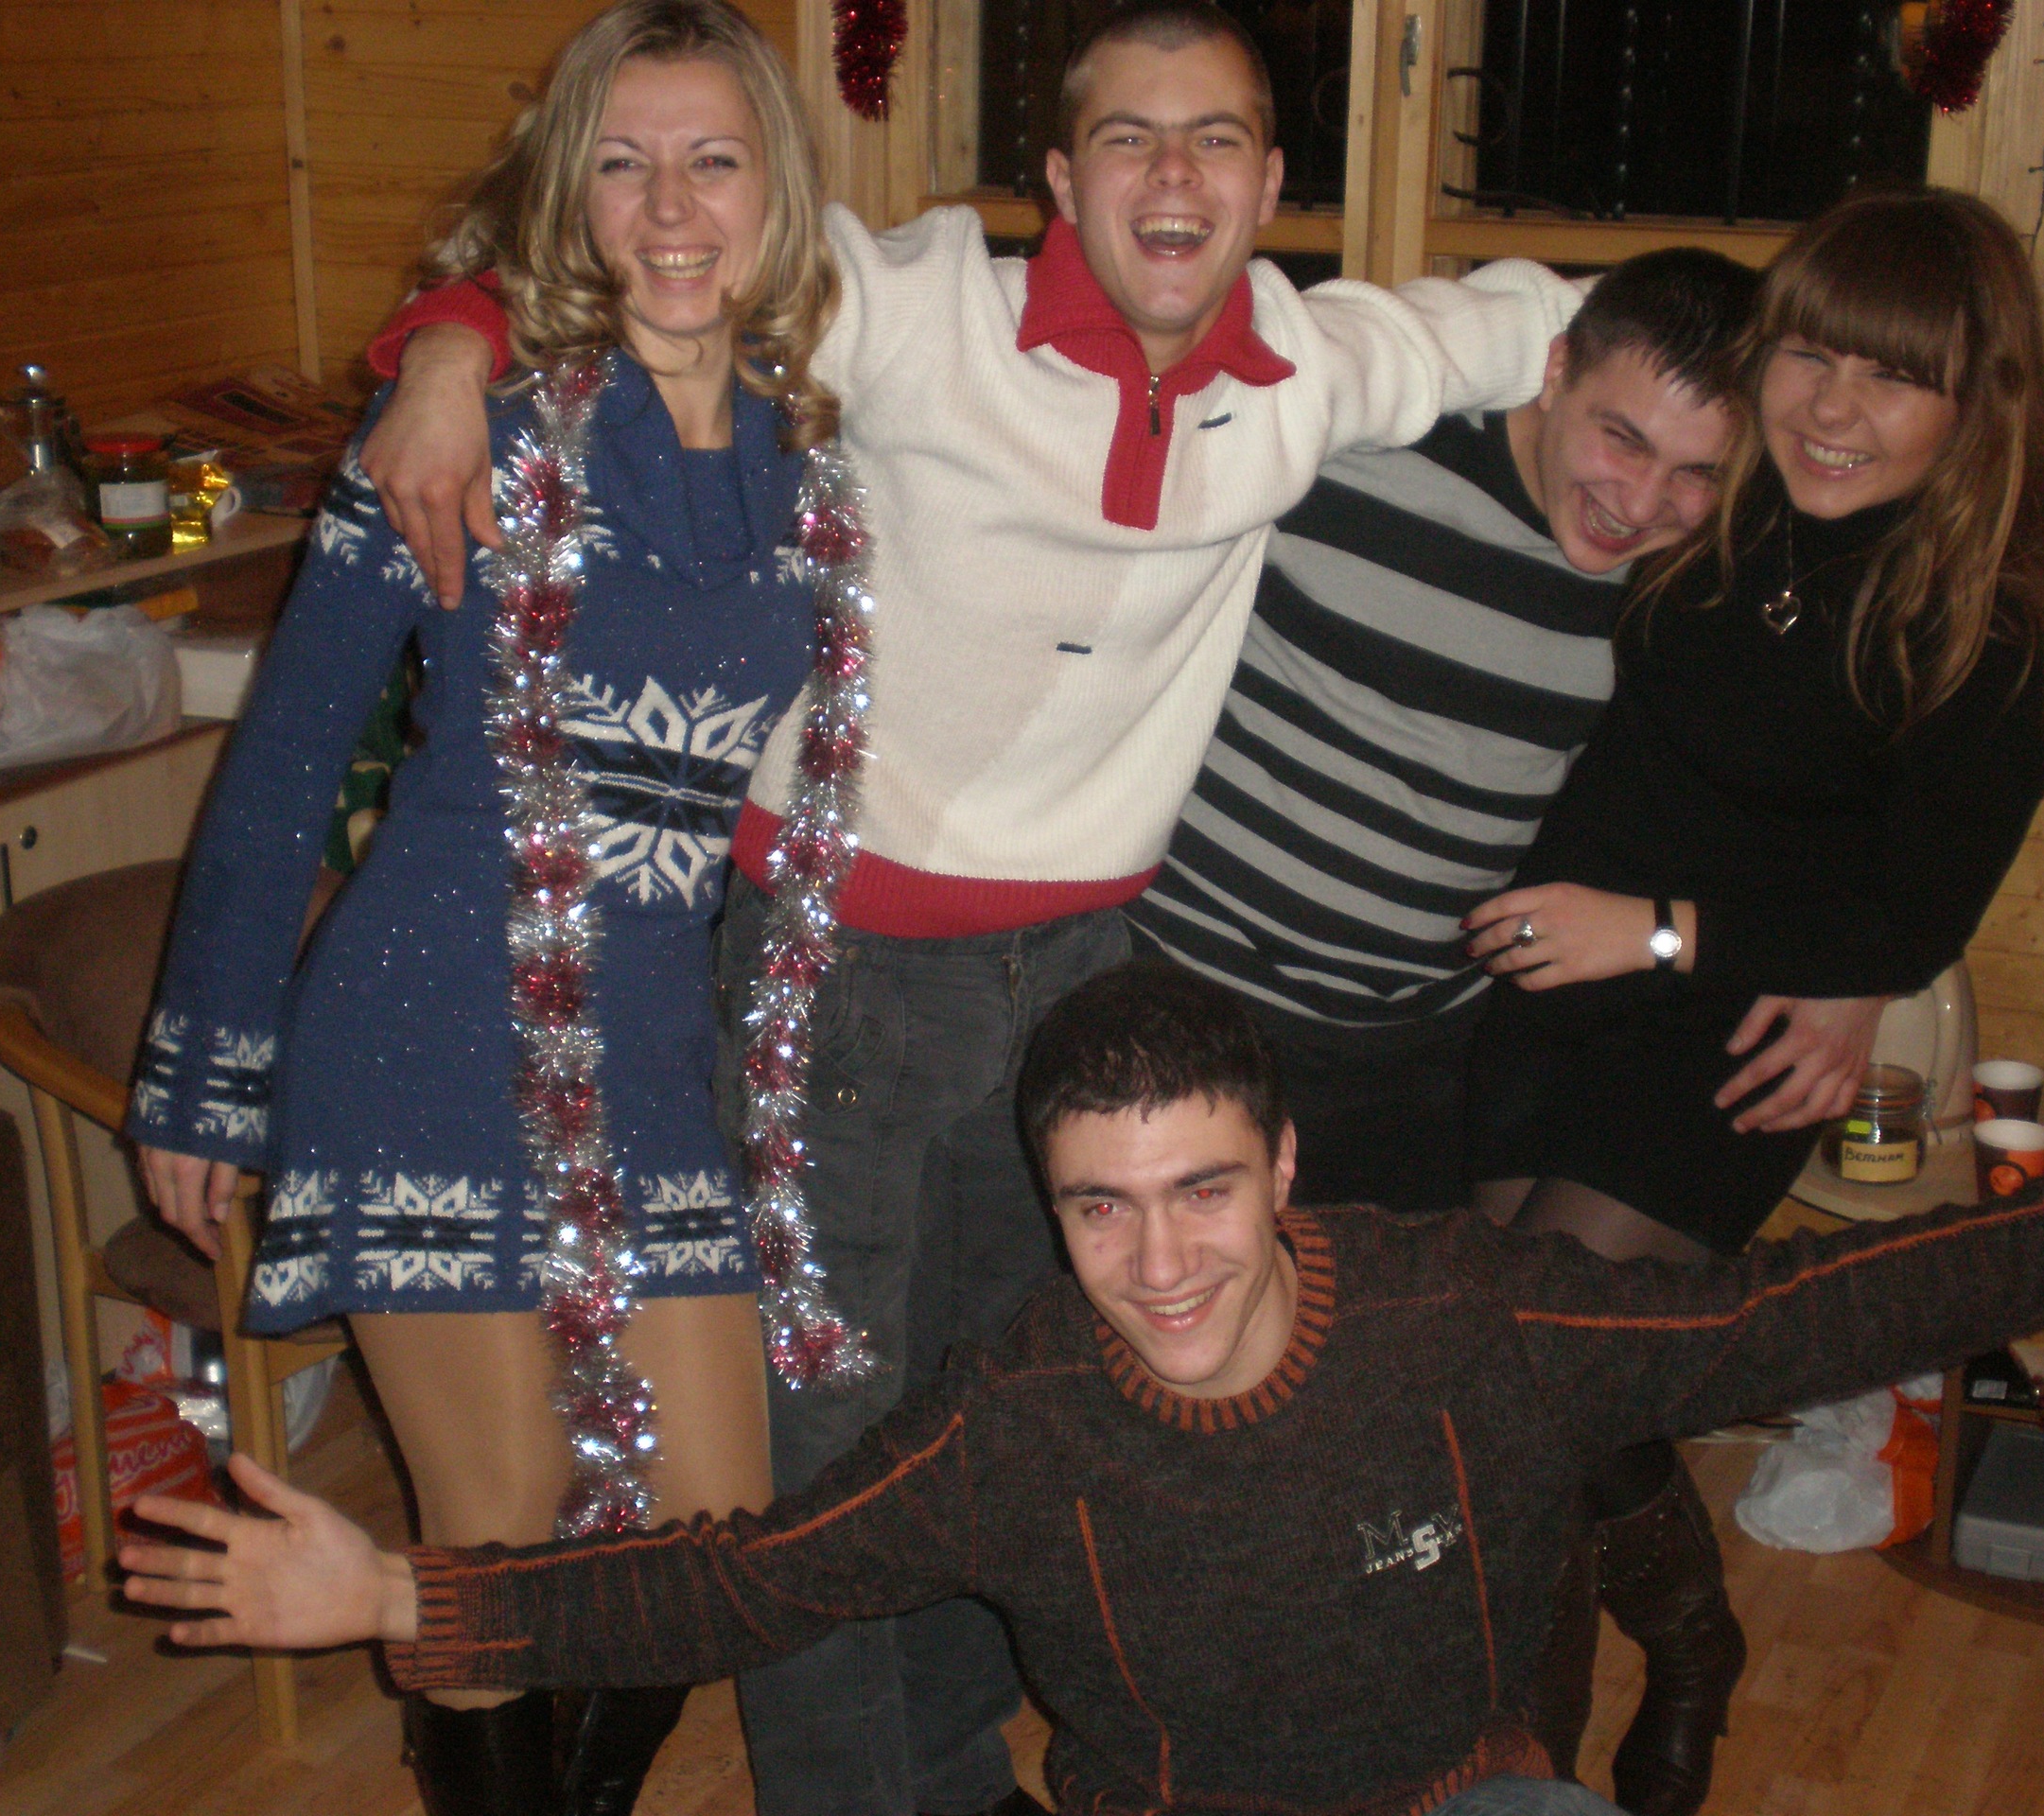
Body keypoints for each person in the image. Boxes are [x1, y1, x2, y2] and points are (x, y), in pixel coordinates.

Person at [352, 9, 1584, 1810]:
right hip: (837, 971)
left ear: (1270, 183)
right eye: (1131, 139)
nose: (1175, 175)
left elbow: (1540, 317)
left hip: (1081, 971)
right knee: (832, 1441)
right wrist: (445, 352)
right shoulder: (920, 311)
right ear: (1062, 180)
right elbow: (647, 248)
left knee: (1009, 1404)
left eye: (1217, 139)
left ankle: (946, 1768)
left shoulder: (1311, 365)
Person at [119, 962, 2044, 1816]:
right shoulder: (1012, 1426)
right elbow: (739, 1581)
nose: (1156, 1266)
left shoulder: (1465, 1315)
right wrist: (398, 1595)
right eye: (1098, 1210)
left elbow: (1784, 1322)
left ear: (1279, 1170)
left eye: (1197, 1194)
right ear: (1047, 1205)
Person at [124, 5, 835, 1810]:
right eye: (623, 164)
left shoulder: (814, 465)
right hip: (425, 1029)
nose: (669, 210)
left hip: (646, 1049)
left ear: (776, 188)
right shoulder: (472, 437)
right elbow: (289, 753)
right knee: (498, 1540)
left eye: (713, 162)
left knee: (710, 1551)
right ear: (566, 191)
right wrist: (204, 1071)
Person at [1455, 187, 2044, 1813]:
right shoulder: (1722, 501)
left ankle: (1529, 1771)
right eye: (1808, 355)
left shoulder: (1989, 628)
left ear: (1978, 402)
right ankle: (1692, 1640)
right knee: (1524, 1376)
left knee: (1534, 1385)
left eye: (1894, 376)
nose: (1833, 408)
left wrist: (1665, 937)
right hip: (1550, 984)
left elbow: (1906, 913)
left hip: (1718, 1032)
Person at [1125, 245, 1759, 1214]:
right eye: (1622, 439)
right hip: (1187, 995)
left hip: (1421, 1053)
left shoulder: (1677, 585)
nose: (1639, 504)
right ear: (1556, 370)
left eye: (1694, 474)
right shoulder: (1358, 446)